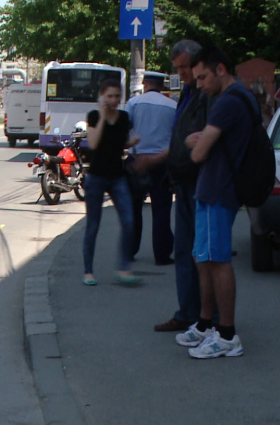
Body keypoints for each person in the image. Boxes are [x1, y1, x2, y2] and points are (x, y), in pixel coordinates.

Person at [176, 46, 257, 359]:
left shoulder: (227, 103)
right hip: (212, 189)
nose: (198, 84)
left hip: (219, 189)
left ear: (220, 69)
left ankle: (226, 335)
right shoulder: (239, 98)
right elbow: (200, 141)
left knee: (218, 260)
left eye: (203, 76)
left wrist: (195, 142)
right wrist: (199, 140)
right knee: (204, 257)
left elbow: (196, 152)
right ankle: (206, 323)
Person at [153, 40, 209, 333]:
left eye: (186, 67)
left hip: (197, 182)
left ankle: (201, 317)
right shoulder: (188, 93)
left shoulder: (204, 94)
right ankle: (189, 313)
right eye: (178, 68)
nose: (183, 73)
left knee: (199, 253)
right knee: (186, 250)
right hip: (184, 181)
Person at [82, 79, 140, 287]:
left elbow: (117, 143)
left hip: (118, 176)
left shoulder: (124, 117)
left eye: (117, 96)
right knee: (93, 225)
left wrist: (129, 143)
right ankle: (88, 271)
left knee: (128, 220)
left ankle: (123, 267)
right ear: (102, 97)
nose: (114, 100)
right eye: (110, 96)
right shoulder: (94, 116)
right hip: (96, 177)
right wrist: (103, 118)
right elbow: (94, 143)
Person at [125, 71, 177, 266]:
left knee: (133, 208)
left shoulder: (134, 103)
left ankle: (130, 249)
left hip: (136, 160)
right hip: (161, 161)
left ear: (145, 83)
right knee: (162, 208)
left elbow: (126, 126)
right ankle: (162, 254)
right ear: (162, 86)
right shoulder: (173, 106)